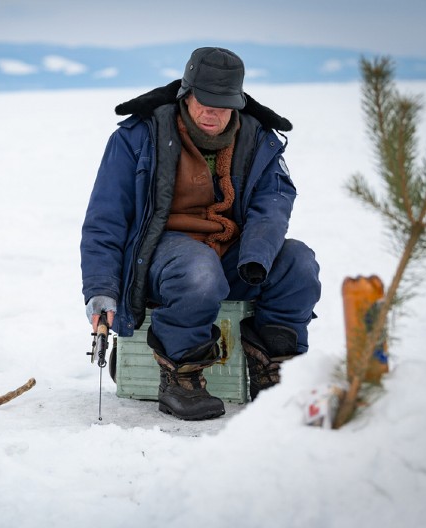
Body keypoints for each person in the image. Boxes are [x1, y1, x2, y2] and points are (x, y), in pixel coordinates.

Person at [80, 47, 321, 420]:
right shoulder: (137, 137)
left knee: (298, 263)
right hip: (165, 260)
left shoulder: (259, 140)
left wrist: (256, 256)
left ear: (238, 103)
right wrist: (101, 291)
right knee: (197, 269)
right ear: (185, 94)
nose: (211, 112)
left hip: (233, 258)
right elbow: (105, 219)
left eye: (222, 104)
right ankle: (181, 376)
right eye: (203, 101)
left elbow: (273, 203)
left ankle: (274, 370)